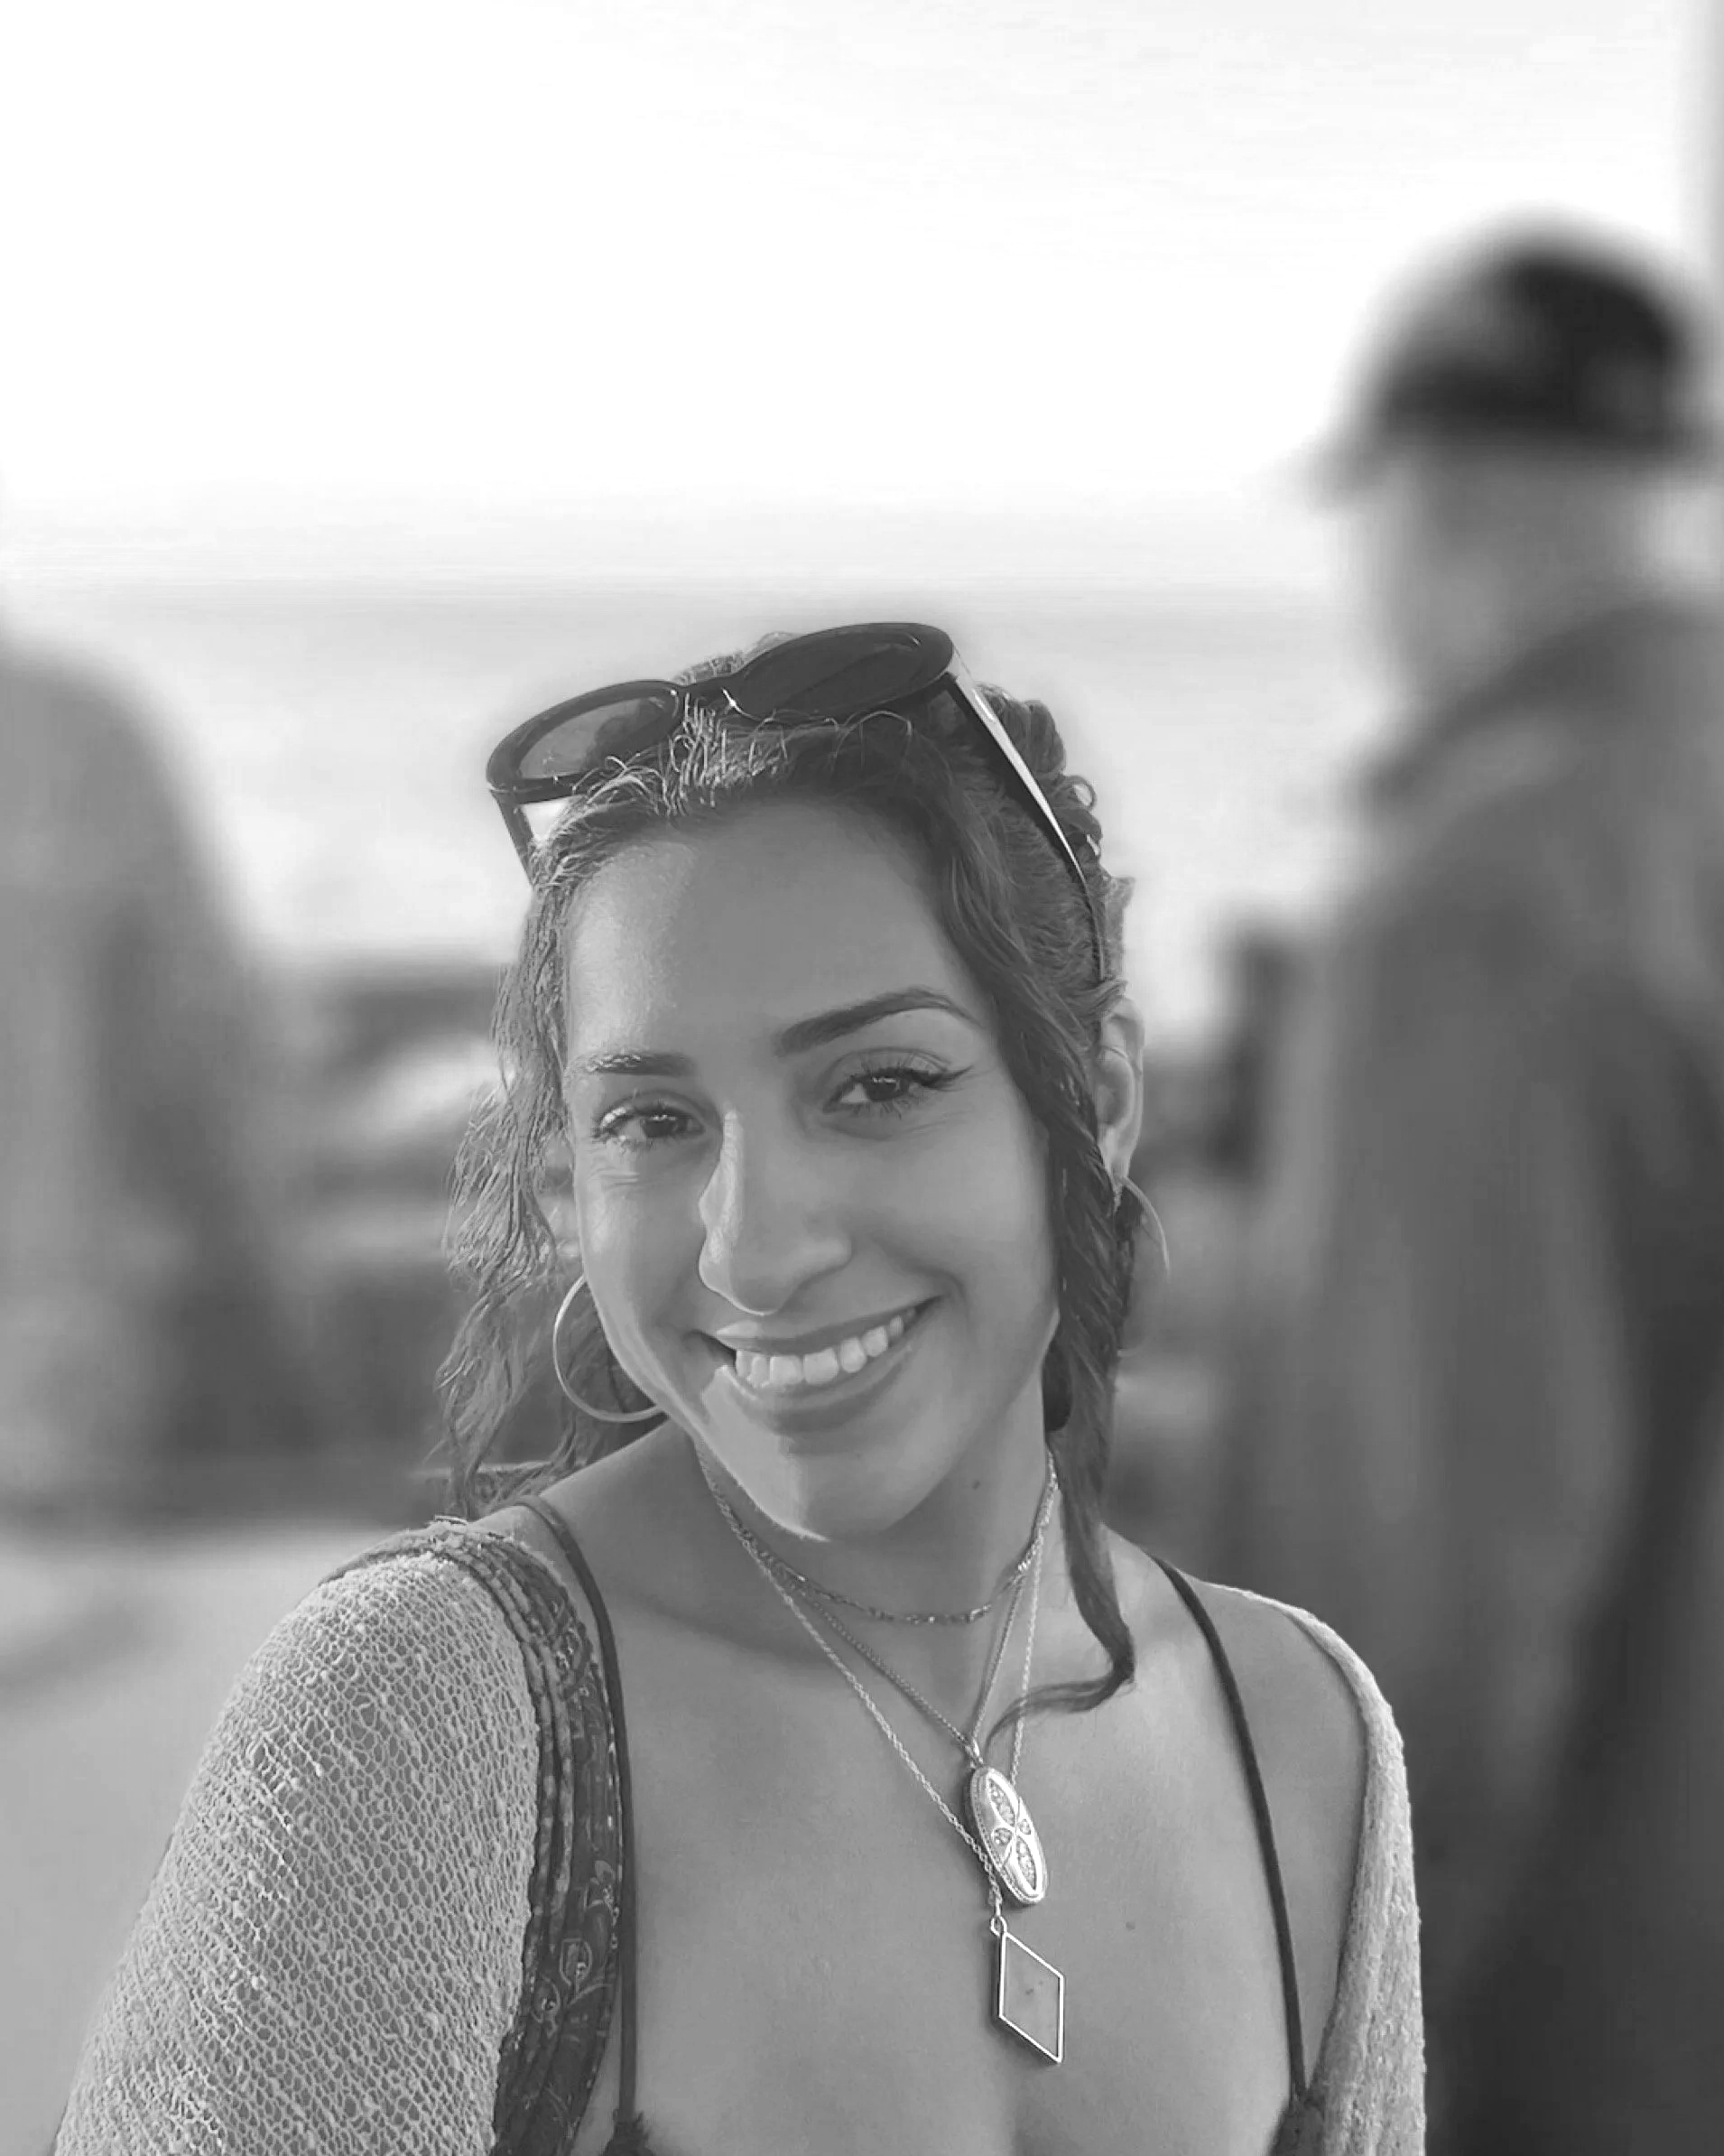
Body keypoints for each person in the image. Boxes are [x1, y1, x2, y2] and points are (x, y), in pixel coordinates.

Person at [52, 623, 1422, 2153]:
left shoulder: (1308, 1746)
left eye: (879, 1085)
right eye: (654, 1117)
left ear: (1094, 1099)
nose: (757, 1248)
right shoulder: (428, 1727)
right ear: (569, 1167)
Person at [1217, 228, 1724, 2152]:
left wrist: (1293, 2076)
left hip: (1580, 2037)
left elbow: (1421, 1595)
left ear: (1428, 510)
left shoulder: (1480, 906)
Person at [0, 627, 321, 1510]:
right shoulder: (69, 736)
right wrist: (275, 1323)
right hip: (44, 1408)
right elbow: (201, 1061)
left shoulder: (77, 736)